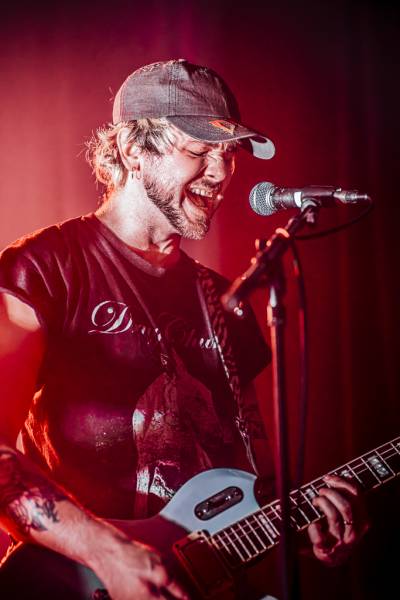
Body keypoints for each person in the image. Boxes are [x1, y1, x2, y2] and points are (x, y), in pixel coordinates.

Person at [0, 59, 368, 599]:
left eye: (230, 154)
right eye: (199, 150)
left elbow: (252, 484)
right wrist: (110, 553)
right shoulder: (43, 269)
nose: (221, 174)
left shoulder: (226, 301)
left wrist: (305, 527)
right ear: (133, 149)